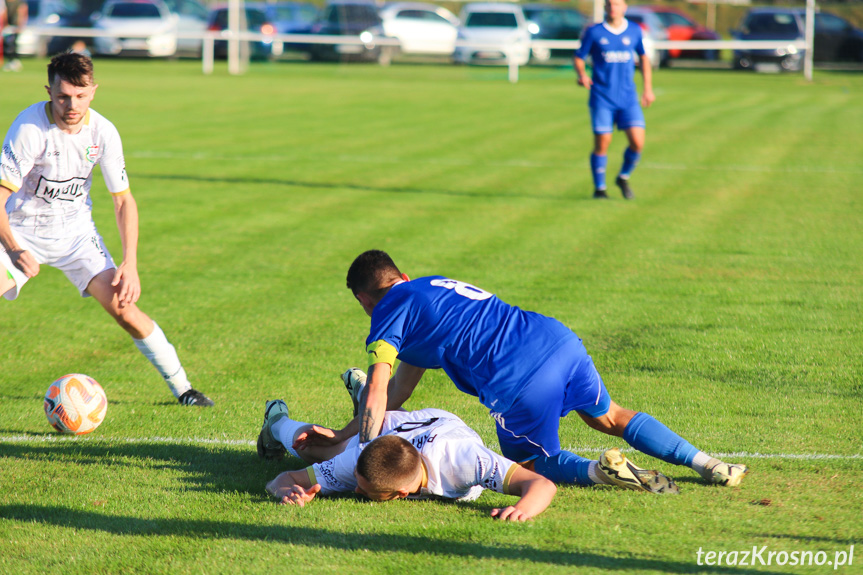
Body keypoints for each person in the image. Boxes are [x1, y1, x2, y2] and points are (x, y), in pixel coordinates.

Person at [300, 250, 747, 491]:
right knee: (608, 415)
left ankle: (600, 472)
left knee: (530, 462)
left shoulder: (388, 312)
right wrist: (340, 432)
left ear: (365, 298)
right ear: (401, 275)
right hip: (557, 339)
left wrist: (356, 449)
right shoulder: (430, 289)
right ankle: (710, 464)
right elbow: (400, 391)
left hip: (516, 377)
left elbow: (378, 388)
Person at [0, 53, 213, 407]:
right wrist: (15, 247)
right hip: (20, 231)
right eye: (63, 96)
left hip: (76, 236)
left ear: (93, 91)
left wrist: (130, 263)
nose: (71, 104)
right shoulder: (29, 129)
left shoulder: (103, 132)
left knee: (126, 310)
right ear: (49, 90)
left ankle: (184, 389)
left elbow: (123, 201)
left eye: (80, 96)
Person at [258, 393, 677, 522]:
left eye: (365, 494)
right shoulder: (361, 461)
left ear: (401, 495)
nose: (355, 492)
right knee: (314, 445)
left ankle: (365, 398)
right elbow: (285, 479)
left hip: (438, 424)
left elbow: (540, 484)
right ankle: (278, 421)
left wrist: (522, 510)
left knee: (328, 446)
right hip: (387, 430)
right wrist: (287, 492)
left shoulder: (465, 461)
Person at [573, 0, 653, 200]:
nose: (612, 7)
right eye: (609, 4)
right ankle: (599, 188)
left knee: (637, 143)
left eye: (617, 4)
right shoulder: (594, 32)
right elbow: (579, 57)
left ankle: (623, 176)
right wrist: (582, 74)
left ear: (624, 7)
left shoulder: (634, 31)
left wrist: (648, 89)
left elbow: (643, 58)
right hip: (602, 96)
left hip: (628, 98)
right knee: (603, 141)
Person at [2, 0, 27, 72]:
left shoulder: (19, 2)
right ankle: (11, 61)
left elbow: (22, 12)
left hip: (15, 26)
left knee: (12, 43)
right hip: (7, 26)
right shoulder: (5, 2)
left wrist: (20, 25)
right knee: (7, 44)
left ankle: (15, 61)